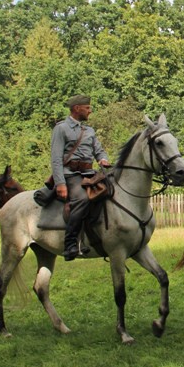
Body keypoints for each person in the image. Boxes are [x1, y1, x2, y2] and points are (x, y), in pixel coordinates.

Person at [51, 95, 111, 261]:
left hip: (89, 174)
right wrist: (60, 183)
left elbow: (98, 150)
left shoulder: (89, 131)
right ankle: (70, 244)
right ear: (77, 108)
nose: (90, 110)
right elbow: (56, 159)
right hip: (70, 175)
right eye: (87, 107)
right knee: (83, 199)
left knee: (111, 191)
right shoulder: (61, 129)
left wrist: (102, 159)